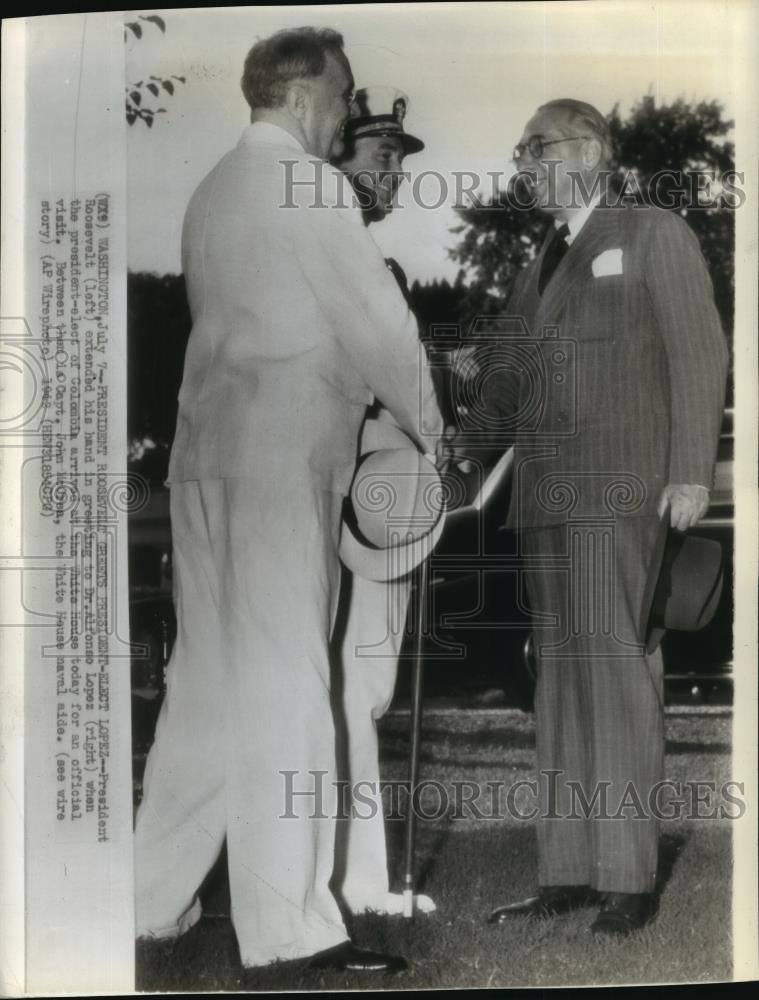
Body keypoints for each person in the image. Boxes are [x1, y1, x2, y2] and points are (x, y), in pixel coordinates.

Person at [133, 28, 443, 974]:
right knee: (290, 690)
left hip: (203, 459)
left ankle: (146, 901)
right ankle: (289, 932)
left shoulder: (212, 189)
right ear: (306, 95)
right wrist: (432, 428)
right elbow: (375, 321)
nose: (349, 116)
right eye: (345, 99)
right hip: (279, 458)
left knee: (207, 691)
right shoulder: (310, 186)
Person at [461, 99, 728, 935]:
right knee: (562, 685)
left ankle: (626, 878)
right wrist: (464, 450)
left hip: (621, 496)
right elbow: (506, 366)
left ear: (589, 150)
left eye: (536, 147)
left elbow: (699, 350)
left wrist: (688, 473)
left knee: (615, 674)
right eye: (522, 149)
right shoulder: (542, 257)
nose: (525, 164)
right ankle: (567, 870)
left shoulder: (652, 232)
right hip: (542, 502)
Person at [328, 87, 437, 917]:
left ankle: (349, 879)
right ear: (336, 157)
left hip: (382, 502)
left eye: (401, 160)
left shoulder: (373, 260)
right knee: (352, 685)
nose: (395, 173)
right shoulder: (335, 251)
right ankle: (359, 884)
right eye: (381, 157)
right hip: (350, 506)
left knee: (365, 683)